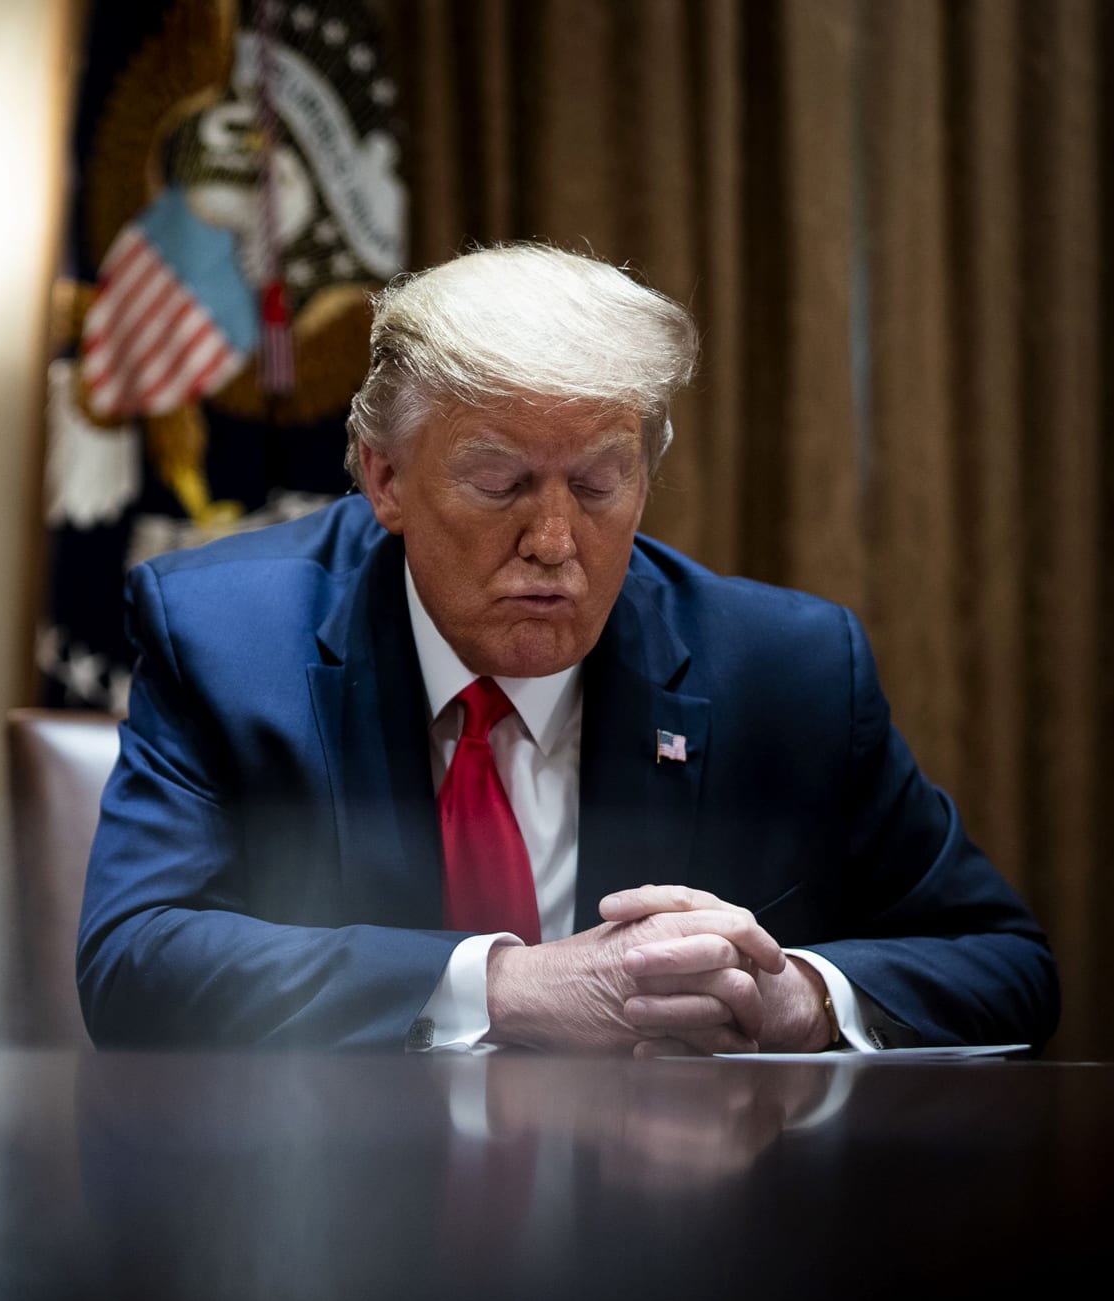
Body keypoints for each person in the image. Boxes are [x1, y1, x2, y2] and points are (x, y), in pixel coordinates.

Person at [76, 243, 1058, 1054]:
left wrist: (798, 998)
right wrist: (504, 986)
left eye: (597, 485)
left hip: (679, 1205)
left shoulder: (787, 671)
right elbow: (134, 961)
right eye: (499, 483)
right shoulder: (227, 640)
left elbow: (1004, 964)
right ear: (385, 479)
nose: (554, 541)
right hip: (342, 1202)